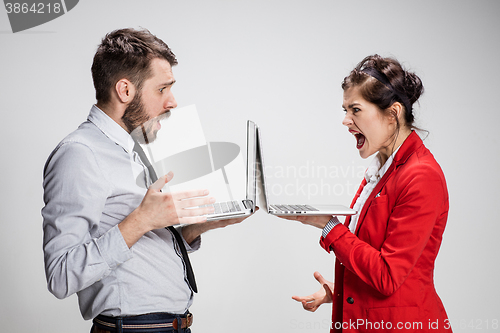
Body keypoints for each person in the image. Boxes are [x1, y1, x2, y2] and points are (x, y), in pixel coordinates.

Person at [42, 28, 253, 333]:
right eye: (162, 89)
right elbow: (61, 276)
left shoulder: (132, 149)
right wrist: (140, 220)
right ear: (125, 90)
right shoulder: (80, 154)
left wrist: (198, 227)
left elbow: (141, 250)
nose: (172, 102)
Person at [282, 55, 452, 332]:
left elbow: (387, 276)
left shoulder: (421, 176)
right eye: (345, 109)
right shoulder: (382, 170)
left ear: (392, 114)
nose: (346, 120)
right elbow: (376, 264)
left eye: (356, 110)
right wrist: (337, 293)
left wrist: (328, 225)